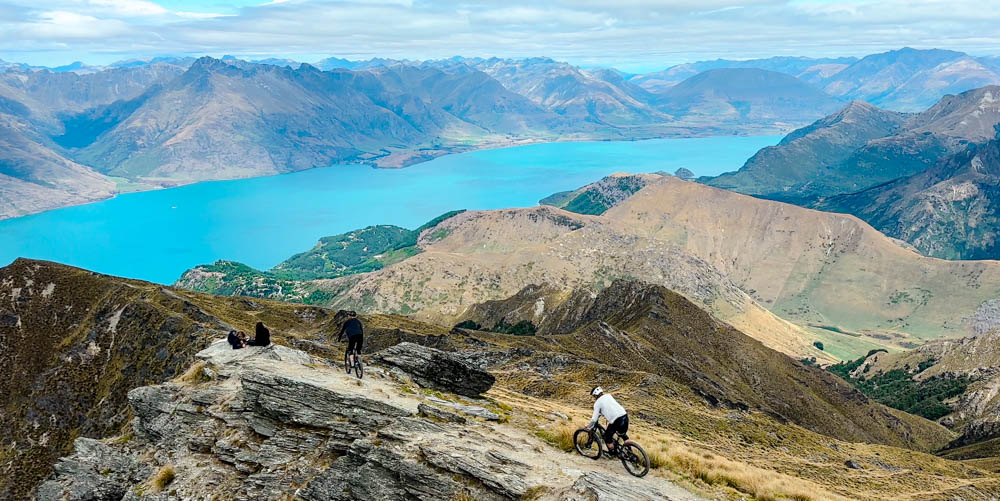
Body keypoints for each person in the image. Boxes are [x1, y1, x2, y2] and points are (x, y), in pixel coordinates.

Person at [587, 386, 629, 456]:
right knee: (623, 435)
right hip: (625, 416)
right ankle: (630, 452)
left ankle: (612, 453)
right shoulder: (608, 396)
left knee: (607, 436)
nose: (594, 397)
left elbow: (594, 419)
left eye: (594, 396)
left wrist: (588, 426)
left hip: (617, 420)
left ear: (595, 395)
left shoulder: (597, 403)